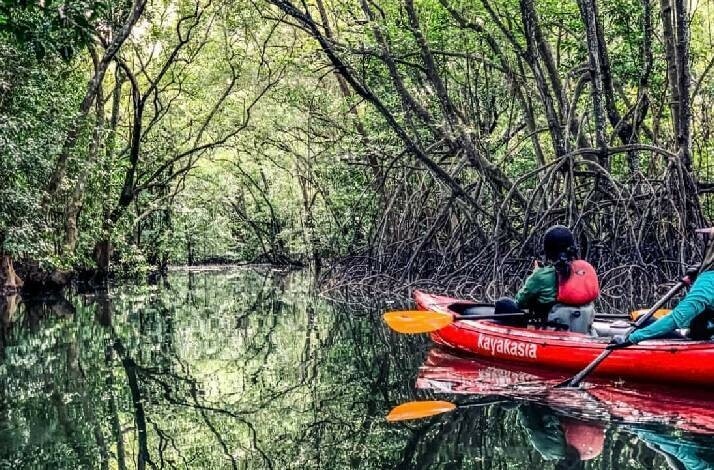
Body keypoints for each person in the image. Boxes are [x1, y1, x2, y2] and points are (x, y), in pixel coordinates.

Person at [610, 228, 714, 348]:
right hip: (705, 334)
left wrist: (632, 338)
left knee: (644, 321)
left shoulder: (708, 282)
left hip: (703, 339)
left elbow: (677, 318)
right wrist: (699, 272)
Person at [496, 225, 600, 334]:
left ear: (548, 252)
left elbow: (520, 301)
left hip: (553, 335)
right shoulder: (584, 270)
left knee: (503, 304)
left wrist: (535, 275)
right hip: (585, 332)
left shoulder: (541, 276)